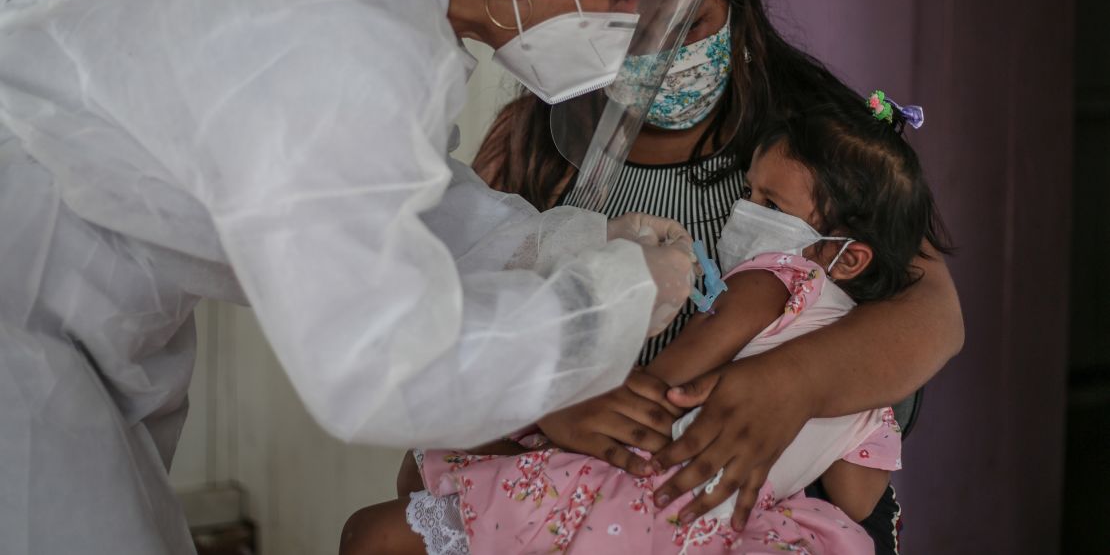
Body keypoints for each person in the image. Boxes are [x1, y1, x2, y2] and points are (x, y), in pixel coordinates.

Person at [0, 0, 718, 552]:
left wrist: (566, 246)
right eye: (616, 2)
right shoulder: (347, 31)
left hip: (86, 296)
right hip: (24, 310)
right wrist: (603, 304)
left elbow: (380, 193)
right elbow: (384, 364)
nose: (625, 31)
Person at [458, 0, 962, 551]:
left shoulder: (813, 146)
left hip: (759, 512)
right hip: (580, 507)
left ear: (737, 4)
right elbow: (454, 351)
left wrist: (792, 383)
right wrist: (546, 408)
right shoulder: (528, 152)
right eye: (625, 31)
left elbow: (933, 315)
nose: (657, 55)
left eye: (685, 23)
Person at [336, 88, 950, 555]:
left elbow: (662, 386)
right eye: (750, 193)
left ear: (846, 253)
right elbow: (857, 495)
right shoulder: (871, 395)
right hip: (711, 529)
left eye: (767, 204)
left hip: (625, 485)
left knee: (373, 533)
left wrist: (571, 403)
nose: (744, 210)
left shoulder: (772, 279)